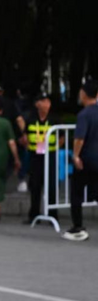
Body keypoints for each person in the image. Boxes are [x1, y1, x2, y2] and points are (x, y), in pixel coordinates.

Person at [16, 92, 60, 224]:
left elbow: (62, 136)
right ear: (37, 104)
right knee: (35, 185)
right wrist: (25, 142)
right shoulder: (31, 118)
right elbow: (24, 135)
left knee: (51, 185)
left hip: (50, 155)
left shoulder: (54, 118)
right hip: (35, 155)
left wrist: (56, 146)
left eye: (47, 101)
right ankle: (34, 215)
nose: (45, 104)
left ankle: (53, 215)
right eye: (42, 101)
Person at [62, 80, 98, 242]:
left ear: (83, 94)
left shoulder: (84, 115)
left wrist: (75, 155)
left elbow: (79, 138)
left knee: (76, 193)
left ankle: (78, 228)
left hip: (86, 159)